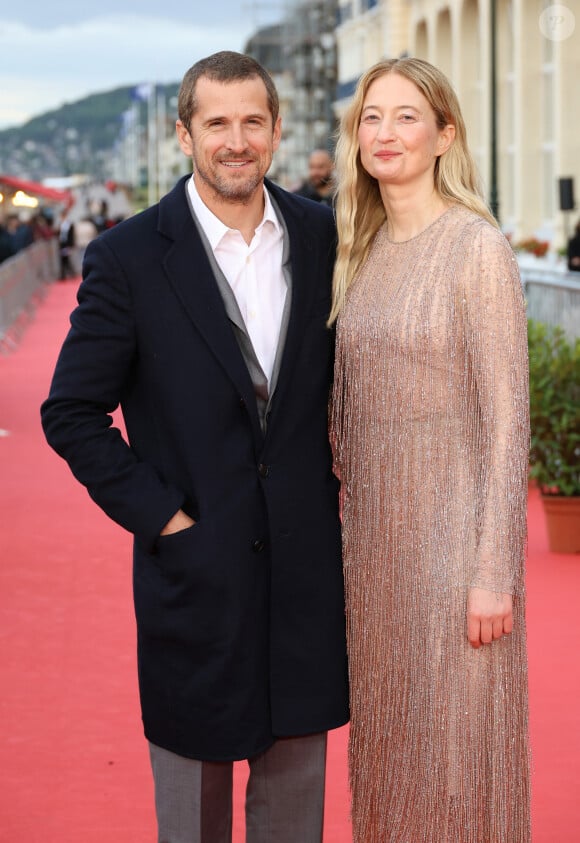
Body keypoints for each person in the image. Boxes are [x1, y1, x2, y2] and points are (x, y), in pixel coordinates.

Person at [41, 50, 348, 843]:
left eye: (252, 121)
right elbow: (70, 410)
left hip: (303, 582)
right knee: (193, 824)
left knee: (295, 821)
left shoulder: (327, 239)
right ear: (185, 134)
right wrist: (164, 517)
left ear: (277, 132)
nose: (235, 140)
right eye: (217, 122)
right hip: (194, 581)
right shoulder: (129, 256)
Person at [329, 58, 530, 841]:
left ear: (445, 133)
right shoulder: (358, 250)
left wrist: (493, 570)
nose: (385, 133)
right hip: (372, 545)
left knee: (455, 748)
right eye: (371, 116)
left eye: (407, 116)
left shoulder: (475, 248)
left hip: (454, 544)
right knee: (387, 742)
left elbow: (508, 421)